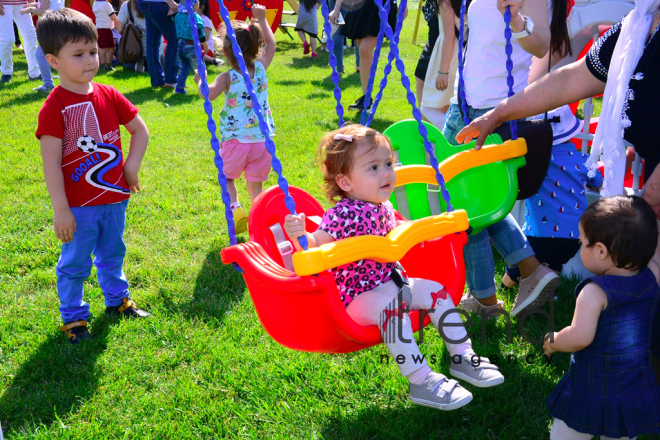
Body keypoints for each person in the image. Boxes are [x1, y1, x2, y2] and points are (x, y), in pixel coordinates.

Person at [283, 124, 504, 410]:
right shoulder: (343, 214)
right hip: (358, 297)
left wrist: (429, 227)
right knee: (393, 314)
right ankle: (421, 380)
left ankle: (463, 356)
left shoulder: (383, 205)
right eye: (373, 168)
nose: (386, 172)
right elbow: (316, 244)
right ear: (346, 183)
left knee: (437, 292)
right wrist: (300, 236)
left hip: (394, 282)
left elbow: (399, 226)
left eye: (388, 163)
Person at [441, 0, 572, 319]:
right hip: (463, 105)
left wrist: (516, 19)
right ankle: (528, 271)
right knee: (465, 203)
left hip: (494, 111)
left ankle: (485, 300)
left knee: (466, 207)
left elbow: (541, 45)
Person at [35, 9, 150, 343]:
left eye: (92, 51)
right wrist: (60, 209)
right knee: (74, 263)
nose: (90, 60)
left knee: (113, 253)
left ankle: (118, 302)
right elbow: (51, 163)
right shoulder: (54, 107)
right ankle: (74, 319)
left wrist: (130, 167)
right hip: (78, 208)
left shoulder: (109, 94)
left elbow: (139, 131)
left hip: (114, 198)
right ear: (54, 61)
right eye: (78, 54)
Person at [544, 195, 660, 440]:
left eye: (582, 242)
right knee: (623, 431)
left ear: (600, 251)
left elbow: (580, 336)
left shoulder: (594, 292)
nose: (579, 244)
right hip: (633, 388)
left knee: (568, 434)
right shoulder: (652, 278)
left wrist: (553, 340)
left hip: (591, 387)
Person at [193, 4, 275, 235]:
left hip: (236, 141)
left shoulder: (227, 77)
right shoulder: (260, 68)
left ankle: (237, 209)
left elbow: (208, 94)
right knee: (255, 185)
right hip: (262, 141)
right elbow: (272, 45)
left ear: (226, 52)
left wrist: (200, 79)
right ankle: (260, 220)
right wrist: (261, 18)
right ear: (255, 47)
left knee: (227, 178)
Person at [328, 0, 405, 110]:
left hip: (380, 5)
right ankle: (366, 98)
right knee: (363, 51)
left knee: (365, 49)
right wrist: (336, 8)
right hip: (359, 6)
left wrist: (404, 5)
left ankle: (367, 99)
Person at [19, 0, 64, 92]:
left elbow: (45, 11)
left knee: (40, 54)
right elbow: (51, 4)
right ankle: (68, 78)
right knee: (59, 53)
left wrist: (31, 9)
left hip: (51, 26)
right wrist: (36, 4)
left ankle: (48, 84)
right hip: (60, 25)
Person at [136, 0, 178, 87]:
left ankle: (157, 81)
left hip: (144, 3)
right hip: (156, 3)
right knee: (173, 40)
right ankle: (171, 80)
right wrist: (170, 1)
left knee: (152, 43)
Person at [171, 0, 207, 94]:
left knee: (184, 68)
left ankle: (179, 88)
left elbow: (171, 17)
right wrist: (205, 46)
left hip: (180, 46)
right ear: (194, 4)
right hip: (191, 46)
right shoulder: (195, 17)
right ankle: (204, 88)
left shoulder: (178, 16)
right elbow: (200, 33)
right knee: (200, 67)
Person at [0, 0, 40, 83]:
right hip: (3, 4)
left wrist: (31, 2)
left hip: (22, 4)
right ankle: (6, 73)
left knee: (30, 36)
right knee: (7, 39)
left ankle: (35, 73)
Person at [117, 0, 148, 72]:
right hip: (156, 52)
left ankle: (139, 64)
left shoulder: (127, 5)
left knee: (129, 63)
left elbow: (119, 29)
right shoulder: (157, 3)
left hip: (134, 53)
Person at [93, 0, 120, 71]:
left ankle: (106, 65)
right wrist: (116, 22)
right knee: (106, 49)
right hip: (106, 29)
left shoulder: (95, 3)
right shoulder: (106, 4)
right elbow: (113, 16)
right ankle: (104, 66)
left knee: (109, 48)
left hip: (99, 28)